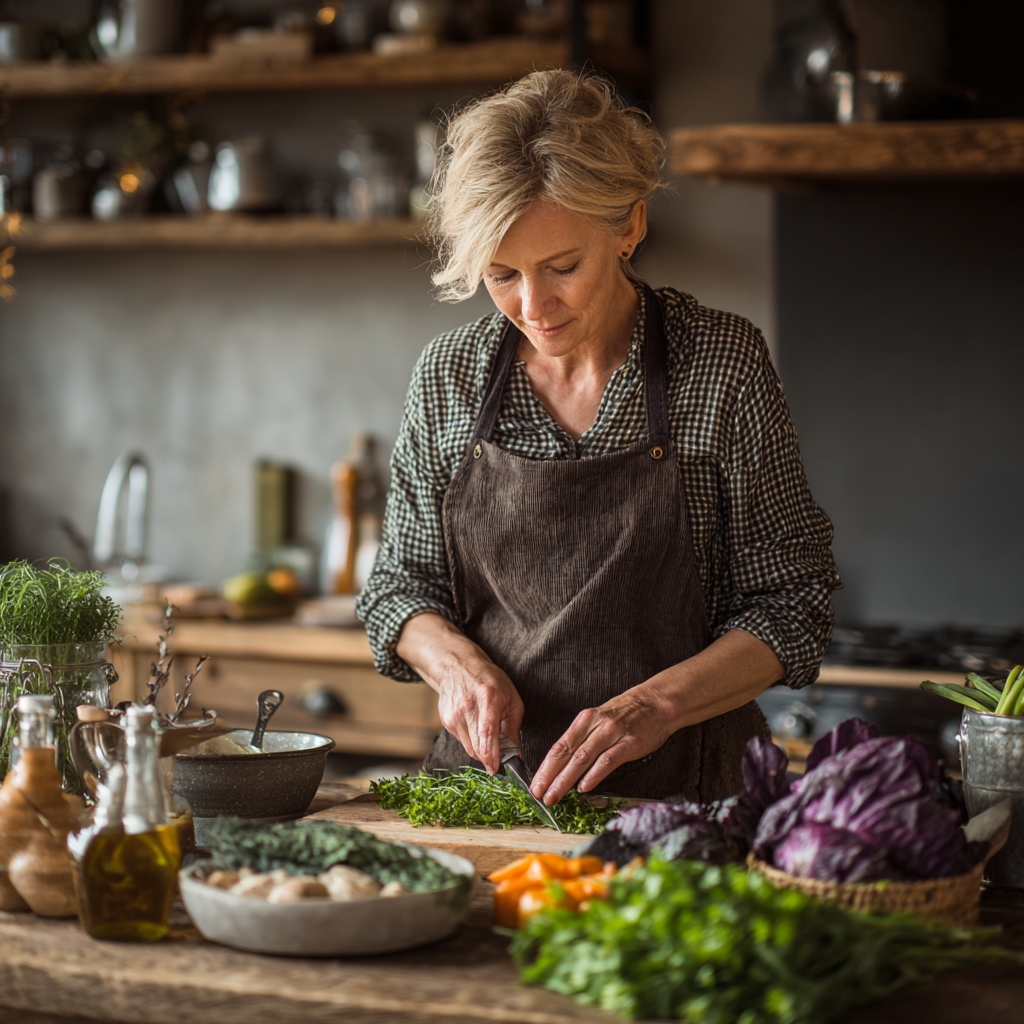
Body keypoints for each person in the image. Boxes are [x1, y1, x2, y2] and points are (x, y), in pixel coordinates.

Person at [356, 69, 840, 805]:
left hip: (689, 798)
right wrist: (454, 665)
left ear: (629, 227)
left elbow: (792, 603)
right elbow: (399, 589)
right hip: (487, 800)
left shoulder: (720, 363)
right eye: (501, 273)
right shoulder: (448, 375)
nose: (533, 306)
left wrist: (656, 707)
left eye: (562, 268)